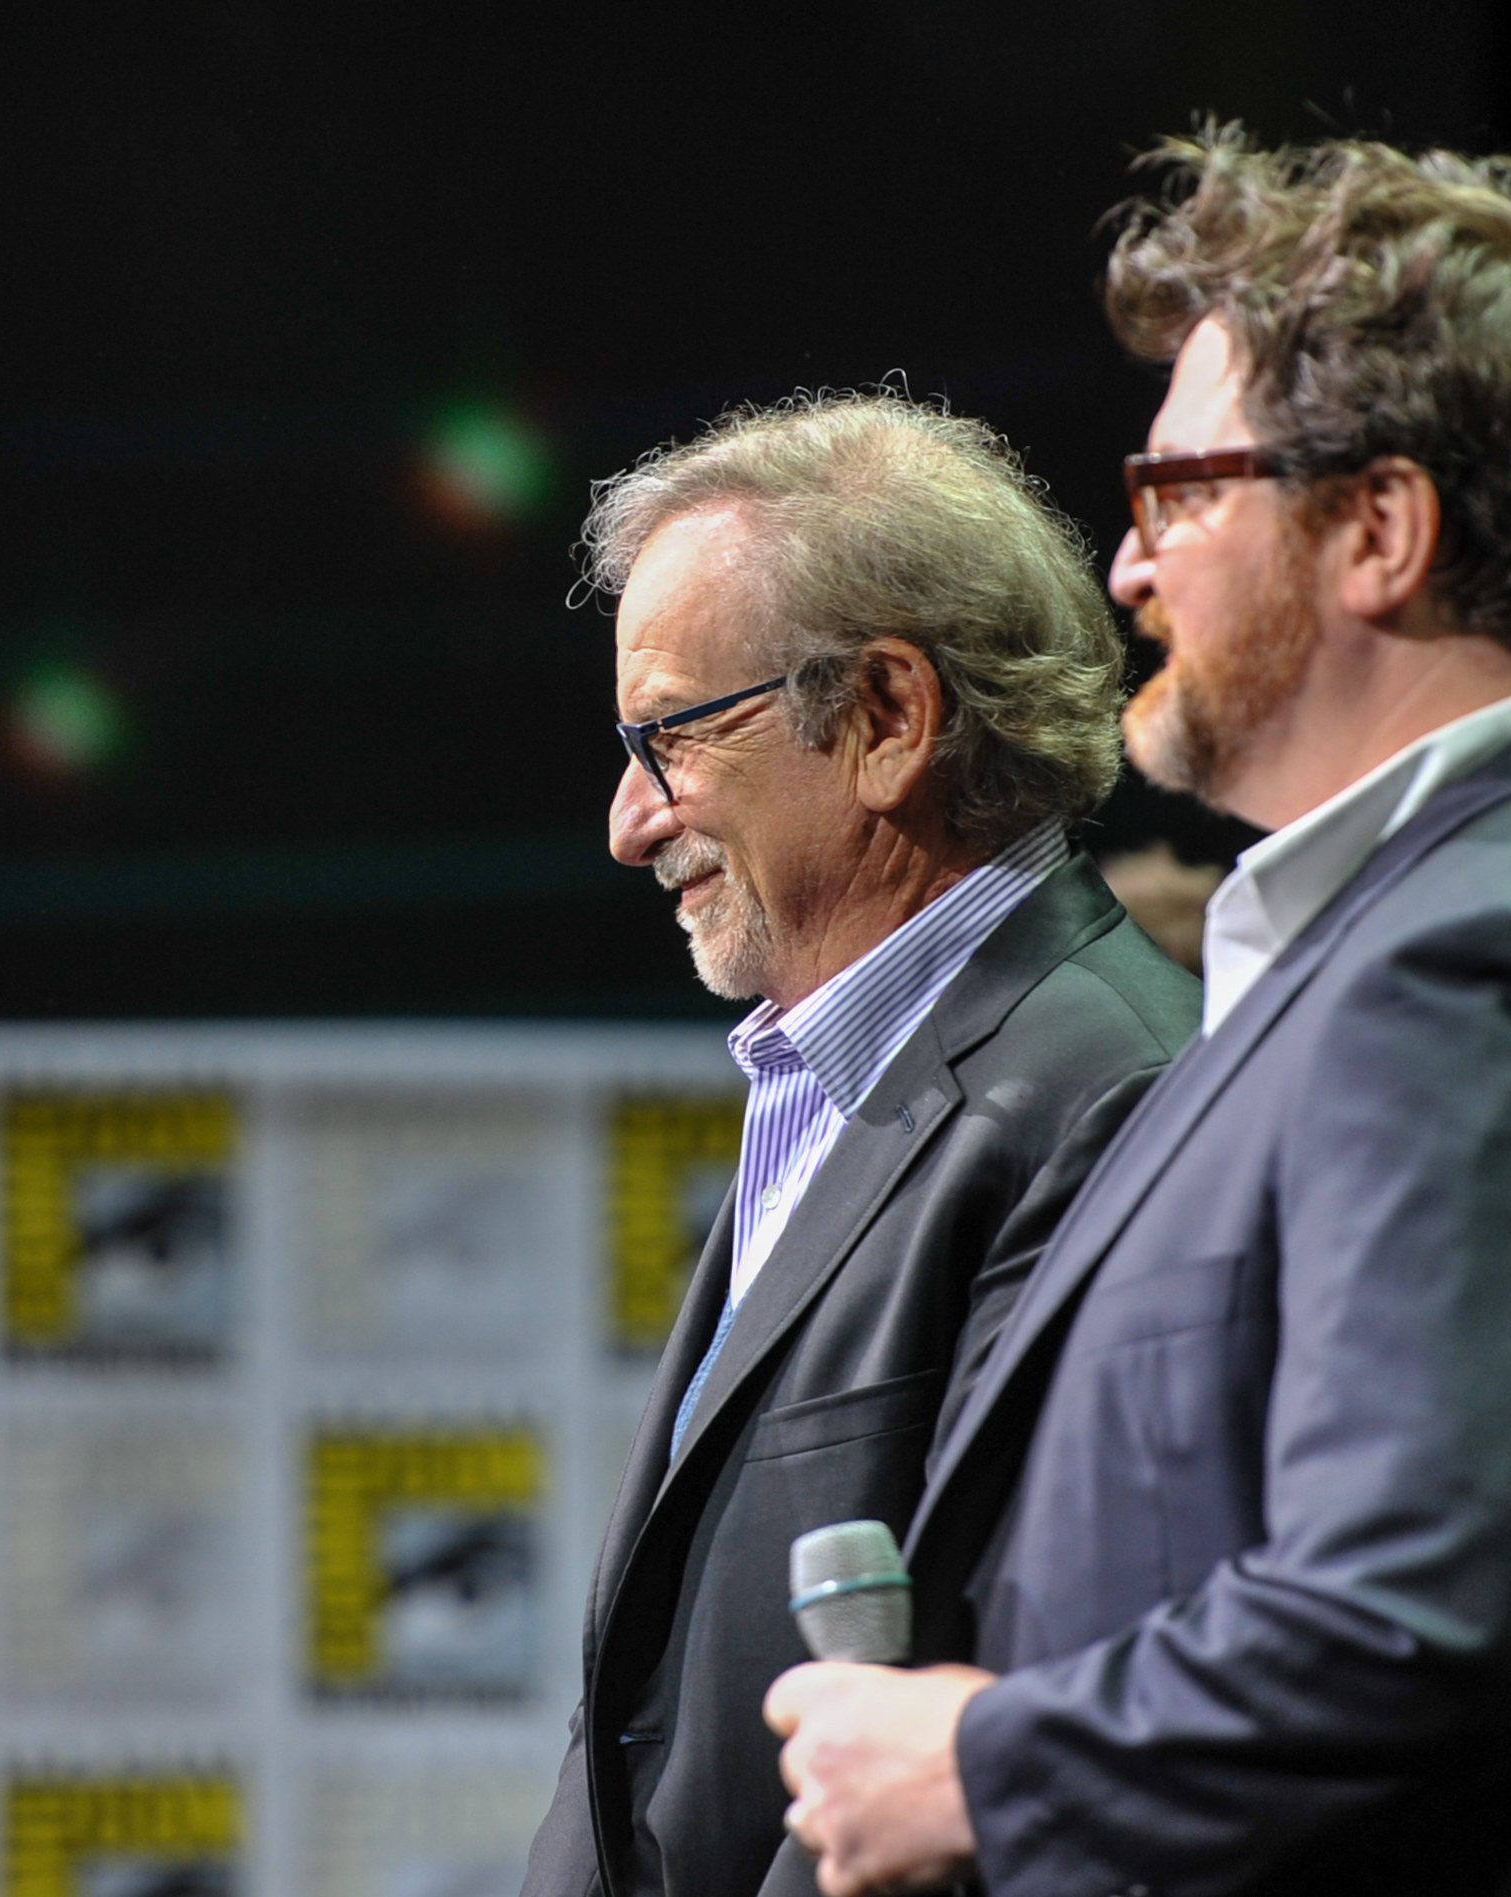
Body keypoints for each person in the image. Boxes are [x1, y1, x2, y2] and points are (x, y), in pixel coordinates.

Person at [765, 132, 1511, 1896]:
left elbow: (1409, 1627)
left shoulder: (1509, 953)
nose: (1130, 570)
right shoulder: (1487, 906)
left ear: (1378, 528)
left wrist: (977, 1763)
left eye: (1180, 497)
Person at [523, 392, 1203, 1897]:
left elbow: (1005, 1697)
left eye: (672, 736)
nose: (631, 820)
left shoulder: (1110, 1095)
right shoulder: (836, 1066)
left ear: (890, 716)